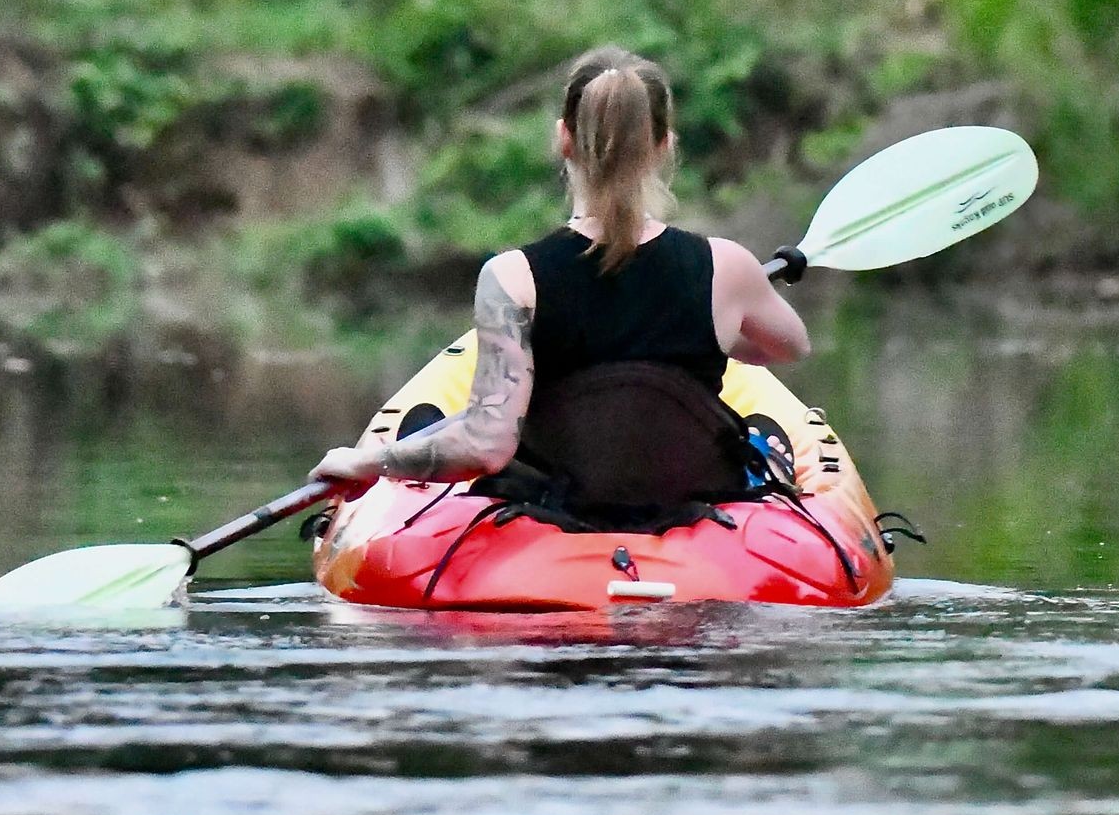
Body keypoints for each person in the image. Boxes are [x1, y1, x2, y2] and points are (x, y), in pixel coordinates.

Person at [309, 45, 810, 505]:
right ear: (663, 146)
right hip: (691, 511)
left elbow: (486, 446)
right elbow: (787, 347)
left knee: (428, 427)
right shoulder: (727, 267)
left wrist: (368, 462)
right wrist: (718, 333)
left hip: (558, 513)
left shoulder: (514, 279)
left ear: (563, 138)